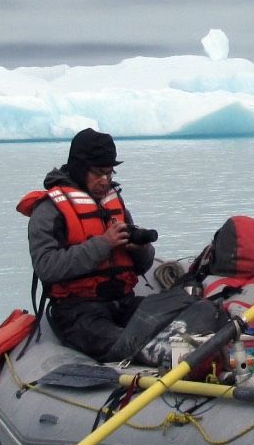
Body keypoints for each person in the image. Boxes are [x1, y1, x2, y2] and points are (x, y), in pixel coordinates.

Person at [26, 128, 157, 362]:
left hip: (123, 303)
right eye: (98, 173)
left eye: (109, 173)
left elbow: (142, 265)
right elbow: (46, 266)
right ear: (79, 168)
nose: (105, 181)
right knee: (128, 343)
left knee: (179, 311)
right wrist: (104, 244)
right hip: (79, 311)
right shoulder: (49, 210)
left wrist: (141, 250)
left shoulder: (114, 202)